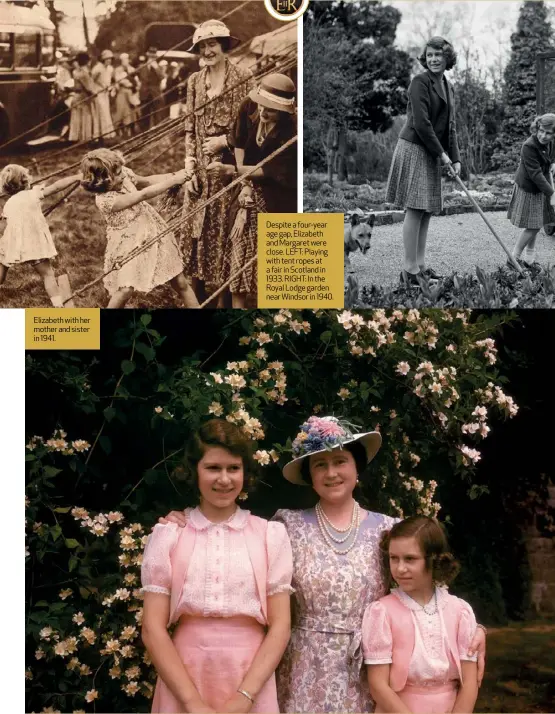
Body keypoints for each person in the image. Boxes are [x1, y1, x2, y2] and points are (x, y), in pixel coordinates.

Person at [159, 415, 487, 712]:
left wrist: (474, 630)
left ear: (357, 468)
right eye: (320, 465)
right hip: (300, 668)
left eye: (340, 462)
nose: (331, 473)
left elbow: (426, 594)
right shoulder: (285, 526)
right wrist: (184, 521)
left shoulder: (388, 529)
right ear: (309, 475)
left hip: (369, 669)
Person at [141, 419, 293, 713]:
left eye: (233, 468)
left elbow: (281, 626)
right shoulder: (170, 535)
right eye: (213, 468)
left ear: (244, 473)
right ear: (194, 472)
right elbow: (152, 628)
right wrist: (191, 703)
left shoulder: (269, 535)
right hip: (184, 675)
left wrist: (243, 698)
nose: (224, 479)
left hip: (250, 676)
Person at [363, 516, 479, 714]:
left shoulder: (460, 612)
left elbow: (470, 682)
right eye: (394, 558)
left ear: (434, 560)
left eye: (410, 559)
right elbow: (378, 685)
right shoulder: (382, 612)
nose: (400, 568)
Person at [181, 19, 254, 307]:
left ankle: (224, 298)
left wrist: (224, 141)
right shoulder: (194, 81)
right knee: (195, 231)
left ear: (224, 46)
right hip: (200, 168)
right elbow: (189, 125)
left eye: (212, 44)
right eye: (202, 46)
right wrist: (189, 164)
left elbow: (252, 125)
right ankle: (196, 297)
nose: (207, 50)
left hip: (230, 165)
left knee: (225, 231)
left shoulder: (243, 77)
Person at [208, 73, 297, 308]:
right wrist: (244, 183)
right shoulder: (250, 106)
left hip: (278, 198)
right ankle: (234, 307)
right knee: (238, 246)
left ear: (284, 112)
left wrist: (233, 171)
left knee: (272, 259)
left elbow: (271, 172)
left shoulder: (292, 133)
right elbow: (239, 143)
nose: (264, 113)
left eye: (272, 110)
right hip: (247, 187)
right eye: (263, 106)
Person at [80, 149, 199, 309]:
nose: (124, 175)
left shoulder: (123, 175)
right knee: (125, 289)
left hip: (152, 232)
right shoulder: (105, 201)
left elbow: (147, 181)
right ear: (105, 180)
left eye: (122, 171)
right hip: (128, 243)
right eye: (119, 174)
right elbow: (143, 194)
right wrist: (173, 181)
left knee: (180, 281)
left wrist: (173, 175)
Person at [386, 36, 461, 286]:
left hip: (432, 150)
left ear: (447, 57)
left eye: (438, 55)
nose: (434, 59)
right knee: (416, 208)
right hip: (415, 147)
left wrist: (456, 158)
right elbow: (421, 123)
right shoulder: (420, 82)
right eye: (430, 55)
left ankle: (420, 266)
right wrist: (443, 154)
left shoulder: (448, 86)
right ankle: (409, 271)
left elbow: (450, 126)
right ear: (425, 58)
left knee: (427, 210)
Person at [0, 164, 81, 306]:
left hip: (12, 244)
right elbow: (56, 186)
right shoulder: (32, 194)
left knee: (1, 263)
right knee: (47, 274)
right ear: (26, 181)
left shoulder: (8, 204)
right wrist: (77, 177)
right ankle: (58, 305)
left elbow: (5, 225)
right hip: (34, 244)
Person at [507, 113, 555, 267]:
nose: (543, 135)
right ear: (537, 128)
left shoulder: (551, 143)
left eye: (548, 133)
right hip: (529, 188)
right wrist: (552, 193)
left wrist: (553, 163)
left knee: (535, 223)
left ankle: (529, 259)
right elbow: (536, 174)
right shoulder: (529, 146)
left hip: (540, 187)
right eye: (541, 130)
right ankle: (513, 259)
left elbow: (550, 157)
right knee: (534, 225)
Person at [69, 52, 99, 143]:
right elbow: (89, 88)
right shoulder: (84, 73)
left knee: (78, 117)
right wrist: (95, 93)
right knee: (85, 117)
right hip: (83, 97)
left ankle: (77, 137)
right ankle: (84, 138)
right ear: (86, 61)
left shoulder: (76, 72)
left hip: (77, 96)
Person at [137, 46, 164, 131]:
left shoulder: (158, 67)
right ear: (147, 55)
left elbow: (162, 77)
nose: (152, 57)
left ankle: (157, 134)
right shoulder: (142, 66)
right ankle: (144, 135)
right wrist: (147, 65)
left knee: (157, 115)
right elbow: (143, 78)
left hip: (155, 94)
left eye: (153, 55)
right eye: (150, 55)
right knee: (145, 116)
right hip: (145, 94)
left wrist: (155, 67)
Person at [113, 53, 140, 137]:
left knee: (131, 111)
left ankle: (131, 130)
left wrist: (135, 86)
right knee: (121, 111)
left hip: (131, 92)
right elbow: (118, 80)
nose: (125, 61)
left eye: (126, 59)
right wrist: (127, 83)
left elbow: (137, 81)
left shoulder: (132, 69)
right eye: (123, 59)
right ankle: (120, 131)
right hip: (122, 92)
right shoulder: (118, 70)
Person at [91, 49, 116, 140]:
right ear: (103, 59)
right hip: (98, 93)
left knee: (105, 113)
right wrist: (99, 87)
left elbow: (111, 80)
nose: (109, 60)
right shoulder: (97, 68)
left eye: (110, 59)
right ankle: (97, 136)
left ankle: (105, 134)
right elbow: (92, 81)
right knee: (100, 113)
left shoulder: (110, 69)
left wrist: (110, 88)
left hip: (105, 94)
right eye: (107, 59)